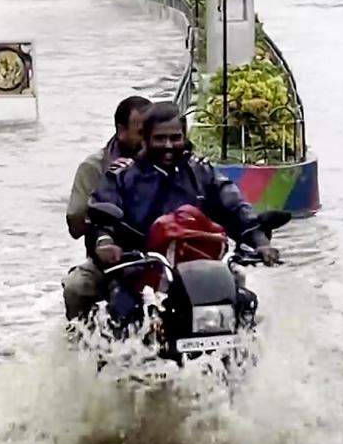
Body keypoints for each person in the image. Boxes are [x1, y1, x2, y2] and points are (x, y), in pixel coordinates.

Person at [85, 102, 280, 317]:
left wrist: (261, 242)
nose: (168, 145)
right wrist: (106, 242)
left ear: (184, 136)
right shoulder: (123, 177)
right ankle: (110, 349)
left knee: (245, 304)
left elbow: (234, 207)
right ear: (145, 138)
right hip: (140, 271)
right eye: (160, 138)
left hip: (203, 273)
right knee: (124, 311)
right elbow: (101, 216)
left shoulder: (203, 173)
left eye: (175, 138)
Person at [60, 95, 152, 321]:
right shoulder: (96, 167)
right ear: (121, 130)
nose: (147, 139)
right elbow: (75, 225)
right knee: (76, 287)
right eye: (140, 132)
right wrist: (101, 209)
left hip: (163, 255)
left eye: (151, 132)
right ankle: (80, 341)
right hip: (112, 259)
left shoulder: (166, 161)